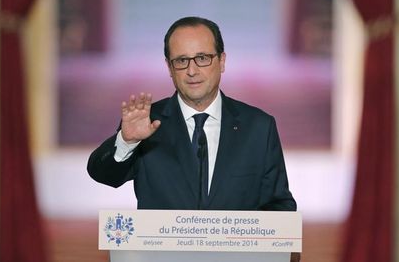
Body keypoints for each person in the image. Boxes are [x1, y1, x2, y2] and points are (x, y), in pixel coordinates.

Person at [87, 16, 296, 212]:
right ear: (169, 67)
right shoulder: (147, 122)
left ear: (222, 61)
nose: (192, 71)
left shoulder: (258, 127)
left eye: (202, 58)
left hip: (234, 251)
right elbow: (103, 175)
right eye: (181, 61)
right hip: (161, 251)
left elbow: (278, 205)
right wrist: (126, 141)